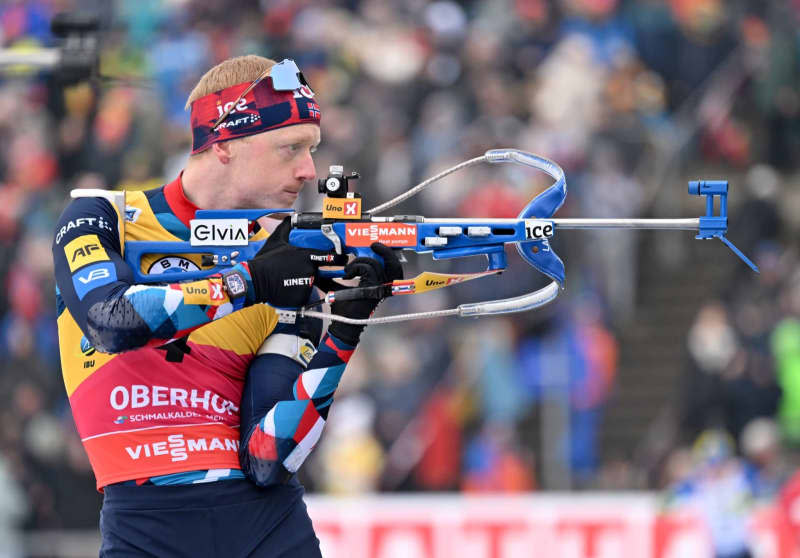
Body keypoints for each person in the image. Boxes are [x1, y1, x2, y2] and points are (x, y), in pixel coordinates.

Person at [52, 54, 402, 557]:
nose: (309, 170)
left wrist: (345, 331)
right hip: (143, 527)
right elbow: (111, 322)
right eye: (291, 148)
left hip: (268, 530)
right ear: (224, 144)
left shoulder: (287, 261)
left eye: (313, 149)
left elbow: (267, 459)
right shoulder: (103, 216)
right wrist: (247, 282)